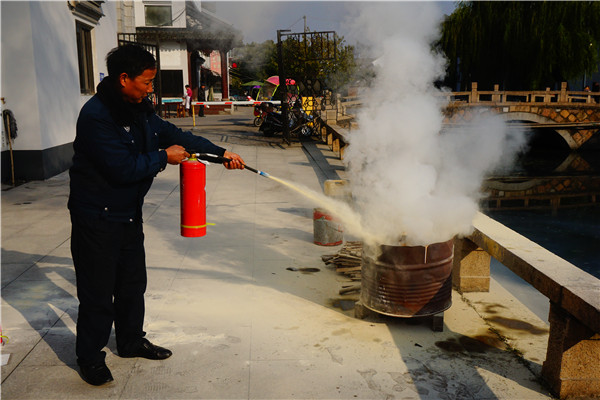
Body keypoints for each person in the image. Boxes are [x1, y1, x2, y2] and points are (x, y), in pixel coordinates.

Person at [68, 44, 244, 386]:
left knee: (133, 284)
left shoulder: (140, 109)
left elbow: (177, 135)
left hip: (128, 214)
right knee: (98, 292)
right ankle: (90, 357)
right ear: (124, 79)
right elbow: (121, 168)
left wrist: (220, 153)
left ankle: (131, 341)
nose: (151, 88)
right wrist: (164, 157)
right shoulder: (96, 117)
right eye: (147, 82)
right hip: (96, 218)